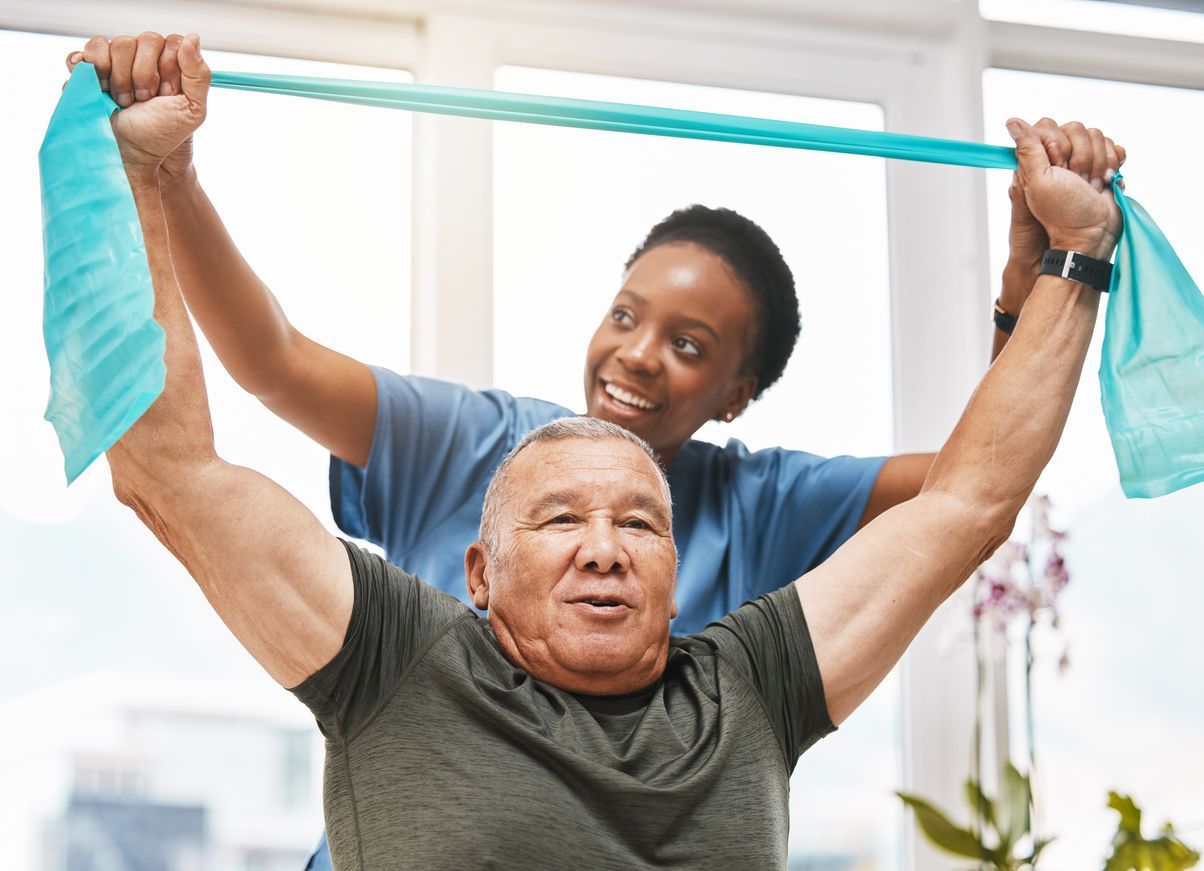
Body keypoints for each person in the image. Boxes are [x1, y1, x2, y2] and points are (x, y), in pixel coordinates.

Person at [79, 30, 1123, 871]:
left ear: (679, 577)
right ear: (477, 572)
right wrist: (149, 174)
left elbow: (967, 495)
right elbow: (176, 466)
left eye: (639, 521)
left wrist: (1070, 259)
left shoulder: (751, 672)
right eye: (561, 518)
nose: (604, 544)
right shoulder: (405, 649)